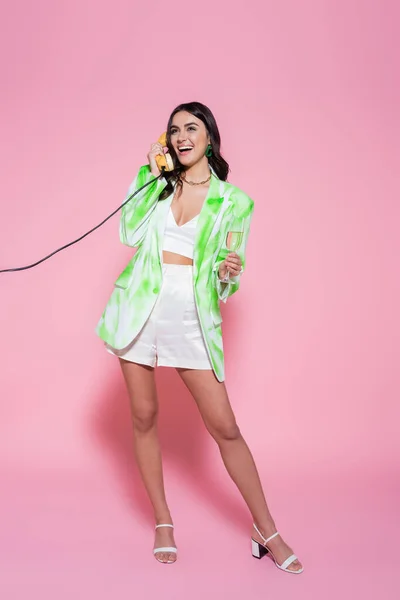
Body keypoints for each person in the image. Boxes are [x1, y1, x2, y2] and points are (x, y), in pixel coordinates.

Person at [95, 102, 303, 573]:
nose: (181, 136)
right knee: (144, 416)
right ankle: (163, 521)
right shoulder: (156, 185)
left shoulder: (235, 202)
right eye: (174, 130)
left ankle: (266, 529)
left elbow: (229, 278)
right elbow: (129, 233)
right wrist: (149, 175)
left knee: (225, 428)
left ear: (210, 136)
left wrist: (230, 271)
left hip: (189, 316)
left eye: (192, 128)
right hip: (138, 310)